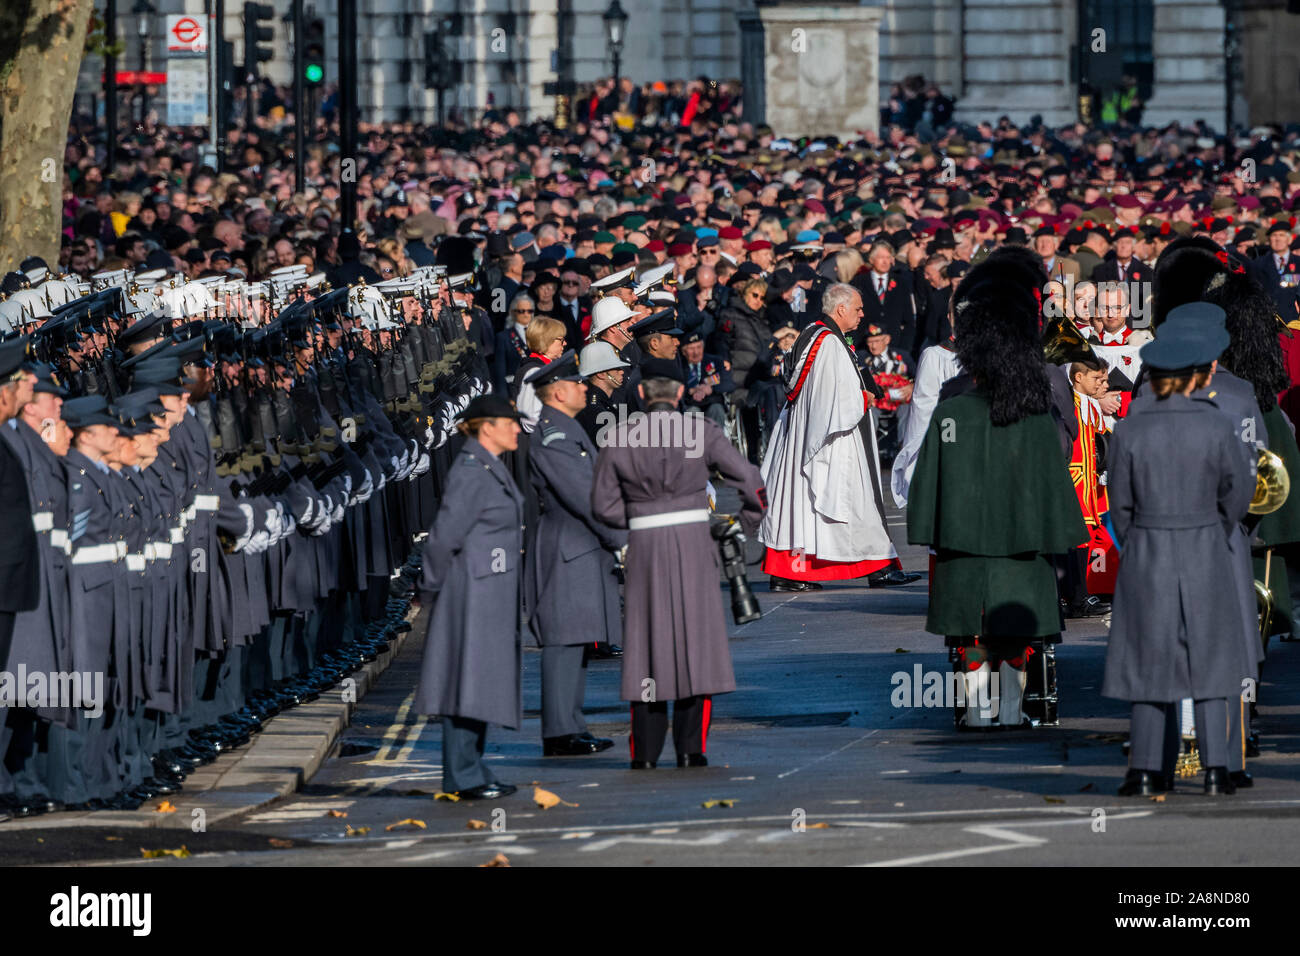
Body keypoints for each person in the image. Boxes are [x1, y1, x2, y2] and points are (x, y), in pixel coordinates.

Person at [907, 253, 1089, 728]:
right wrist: (1064, 536)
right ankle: (1009, 712)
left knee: (971, 635)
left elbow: (928, 484)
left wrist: (929, 531)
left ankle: (979, 712)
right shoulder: (1032, 415)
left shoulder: (951, 410)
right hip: (1023, 544)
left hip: (962, 546)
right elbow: (1055, 477)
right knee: (1015, 635)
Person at [1103, 318, 1255, 796]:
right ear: (1197, 376)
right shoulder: (1214, 423)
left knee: (1149, 660)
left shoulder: (1129, 429)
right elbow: (1238, 492)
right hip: (1205, 543)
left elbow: (1119, 507)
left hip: (1148, 546)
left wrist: (1145, 536)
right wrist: (1211, 529)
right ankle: (1215, 768)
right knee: (1212, 657)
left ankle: (1146, 769)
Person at [591, 359, 765, 769]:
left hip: (645, 545)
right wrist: (740, 527)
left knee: (646, 647)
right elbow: (750, 479)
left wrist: (631, 529)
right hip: (693, 543)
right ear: (680, 392)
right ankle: (691, 749)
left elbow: (601, 504)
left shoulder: (620, 437)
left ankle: (646, 753)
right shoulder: (700, 431)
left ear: (641, 394)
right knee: (696, 645)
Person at [759, 283, 918, 592]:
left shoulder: (815, 334)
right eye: (857, 308)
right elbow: (834, 397)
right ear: (840, 309)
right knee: (851, 499)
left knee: (805, 506)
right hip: (834, 436)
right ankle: (876, 567)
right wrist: (863, 398)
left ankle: (872, 565)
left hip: (810, 430)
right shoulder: (829, 342)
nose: (862, 314)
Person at [414, 396, 524, 800]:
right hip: (472, 592)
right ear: (486, 426)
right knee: (466, 682)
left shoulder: (488, 465)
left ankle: (473, 768)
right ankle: (462, 775)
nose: (516, 429)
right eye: (509, 422)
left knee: (479, 682)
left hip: (489, 591)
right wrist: (429, 587)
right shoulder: (472, 470)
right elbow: (444, 536)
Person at [527, 353, 624, 755]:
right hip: (568, 547)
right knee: (564, 641)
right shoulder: (554, 435)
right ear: (559, 391)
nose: (586, 388)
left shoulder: (564, 428)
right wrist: (621, 538)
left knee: (578, 639)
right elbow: (585, 497)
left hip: (579, 546)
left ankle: (570, 724)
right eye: (578, 383)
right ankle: (559, 732)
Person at [576, 340, 631, 445]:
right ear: (601, 374)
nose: (622, 371)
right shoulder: (595, 409)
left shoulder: (602, 401)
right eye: (616, 368)